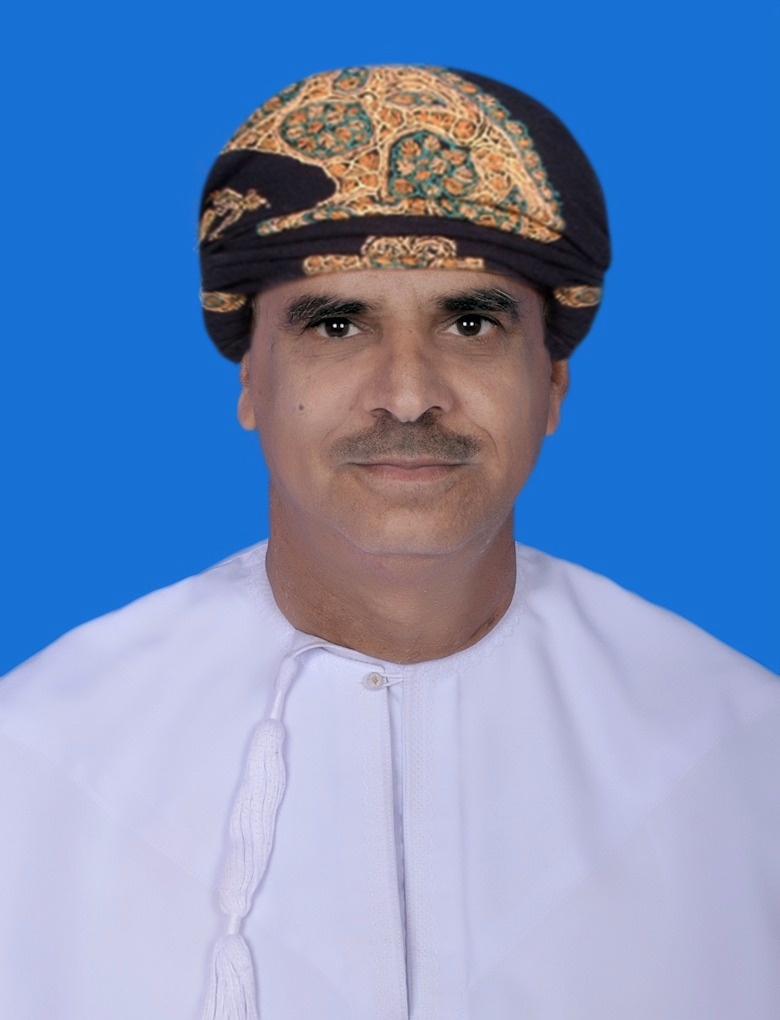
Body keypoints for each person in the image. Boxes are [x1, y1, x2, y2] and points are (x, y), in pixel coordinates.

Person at [0, 64, 777, 1020]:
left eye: (471, 321)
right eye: (336, 324)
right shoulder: (36, 764)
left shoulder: (742, 756)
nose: (408, 394)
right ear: (250, 381)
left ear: (553, 384)